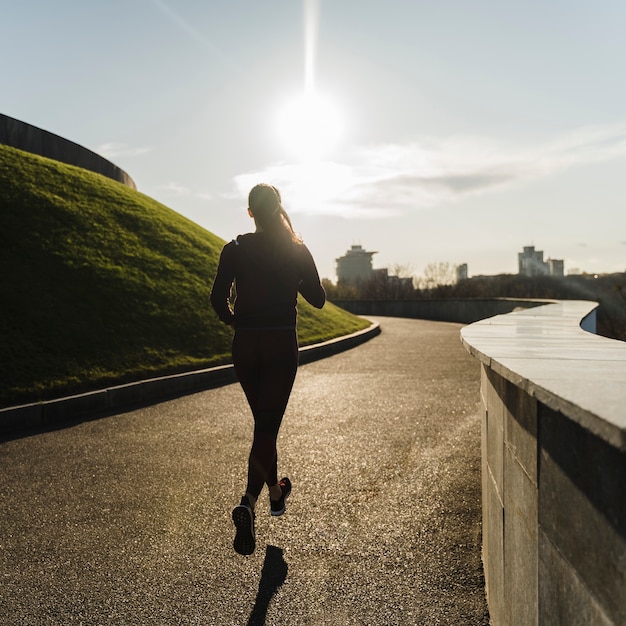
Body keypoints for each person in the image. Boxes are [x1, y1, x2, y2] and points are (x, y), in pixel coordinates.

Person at [210, 183, 326, 555]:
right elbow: (318, 300)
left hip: (246, 346)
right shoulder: (295, 249)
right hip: (279, 344)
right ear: (278, 209)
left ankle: (276, 493)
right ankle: (248, 501)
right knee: (266, 426)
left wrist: (236, 322)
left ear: (250, 213)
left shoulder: (235, 249)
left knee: (265, 424)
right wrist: (300, 268)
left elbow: (217, 298)